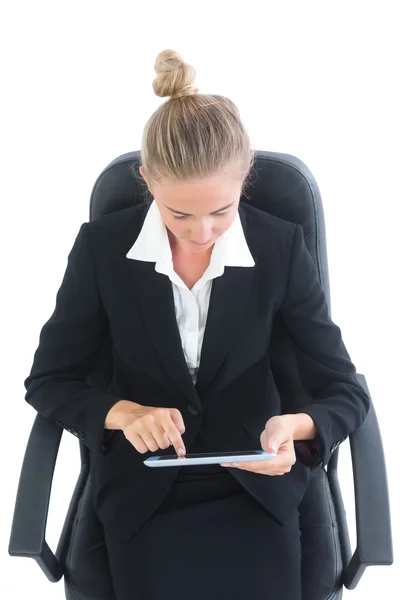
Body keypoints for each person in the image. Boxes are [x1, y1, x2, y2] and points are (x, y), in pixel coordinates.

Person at [24, 49, 370, 600]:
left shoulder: (281, 248)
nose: (202, 232)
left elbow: (345, 390)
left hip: (256, 488)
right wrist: (125, 412)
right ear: (146, 181)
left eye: (222, 211)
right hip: (146, 489)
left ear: (246, 180)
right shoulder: (104, 250)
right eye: (178, 213)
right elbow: (49, 381)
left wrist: (296, 428)